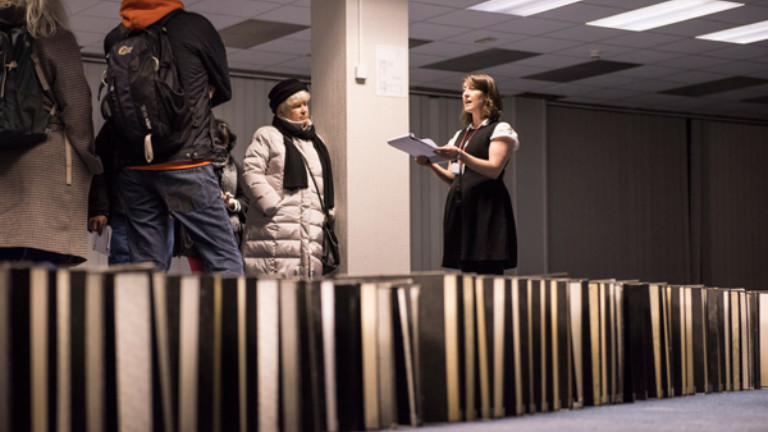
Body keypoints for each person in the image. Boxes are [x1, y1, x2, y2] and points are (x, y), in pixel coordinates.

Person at [104, 0, 243, 274]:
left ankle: (144, 318)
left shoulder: (117, 37)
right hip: (187, 162)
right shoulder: (195, 26)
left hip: (136, 165)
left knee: (147, 266)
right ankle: (230, 318)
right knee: (223, 258)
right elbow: (224, 89)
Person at [0, 0, 102, 265]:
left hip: (4, 160)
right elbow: (76, 103)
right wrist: (89, 159)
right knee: (45, 260)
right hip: (49, 160)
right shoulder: (53, 36)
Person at [416, 73, 519, 275]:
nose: (466, 94)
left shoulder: (500, 129)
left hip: (487, 209)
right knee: (467, 275)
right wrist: (430, 164)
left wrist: (461, 154)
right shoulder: (460, 135)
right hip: (463, 210)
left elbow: (493, 169)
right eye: (463, 89)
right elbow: (453, 178)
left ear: (487, 96)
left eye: (472, 89)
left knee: (489, 273)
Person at [241, 78, 335, 278]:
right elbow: (251, 172)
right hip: (274, 230)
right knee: (271, 294)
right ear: (281, 111)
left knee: (304, 298)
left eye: (305, 104)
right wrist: (273, 206)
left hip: (310, 232)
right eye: (296, 106)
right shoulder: (267, 135)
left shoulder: (316, 142)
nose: (303, 110)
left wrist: (327, 211)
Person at [87, 120, 174, 267]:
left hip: (155, 211)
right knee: (134, 272)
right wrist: (99, 208)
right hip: (127, 213)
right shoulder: (118, 120)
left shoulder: (121, 118)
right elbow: (99, 163)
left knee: (151, 273)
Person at [174, 119, 249, 273]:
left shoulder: (235, 168)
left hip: (230, 233)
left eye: (224, 144)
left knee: (225, 278)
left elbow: (246, 200)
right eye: (216, 144)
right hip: (196, 235)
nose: (219, 149)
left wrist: (233, 203)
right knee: (200, 279)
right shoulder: (194, 167)